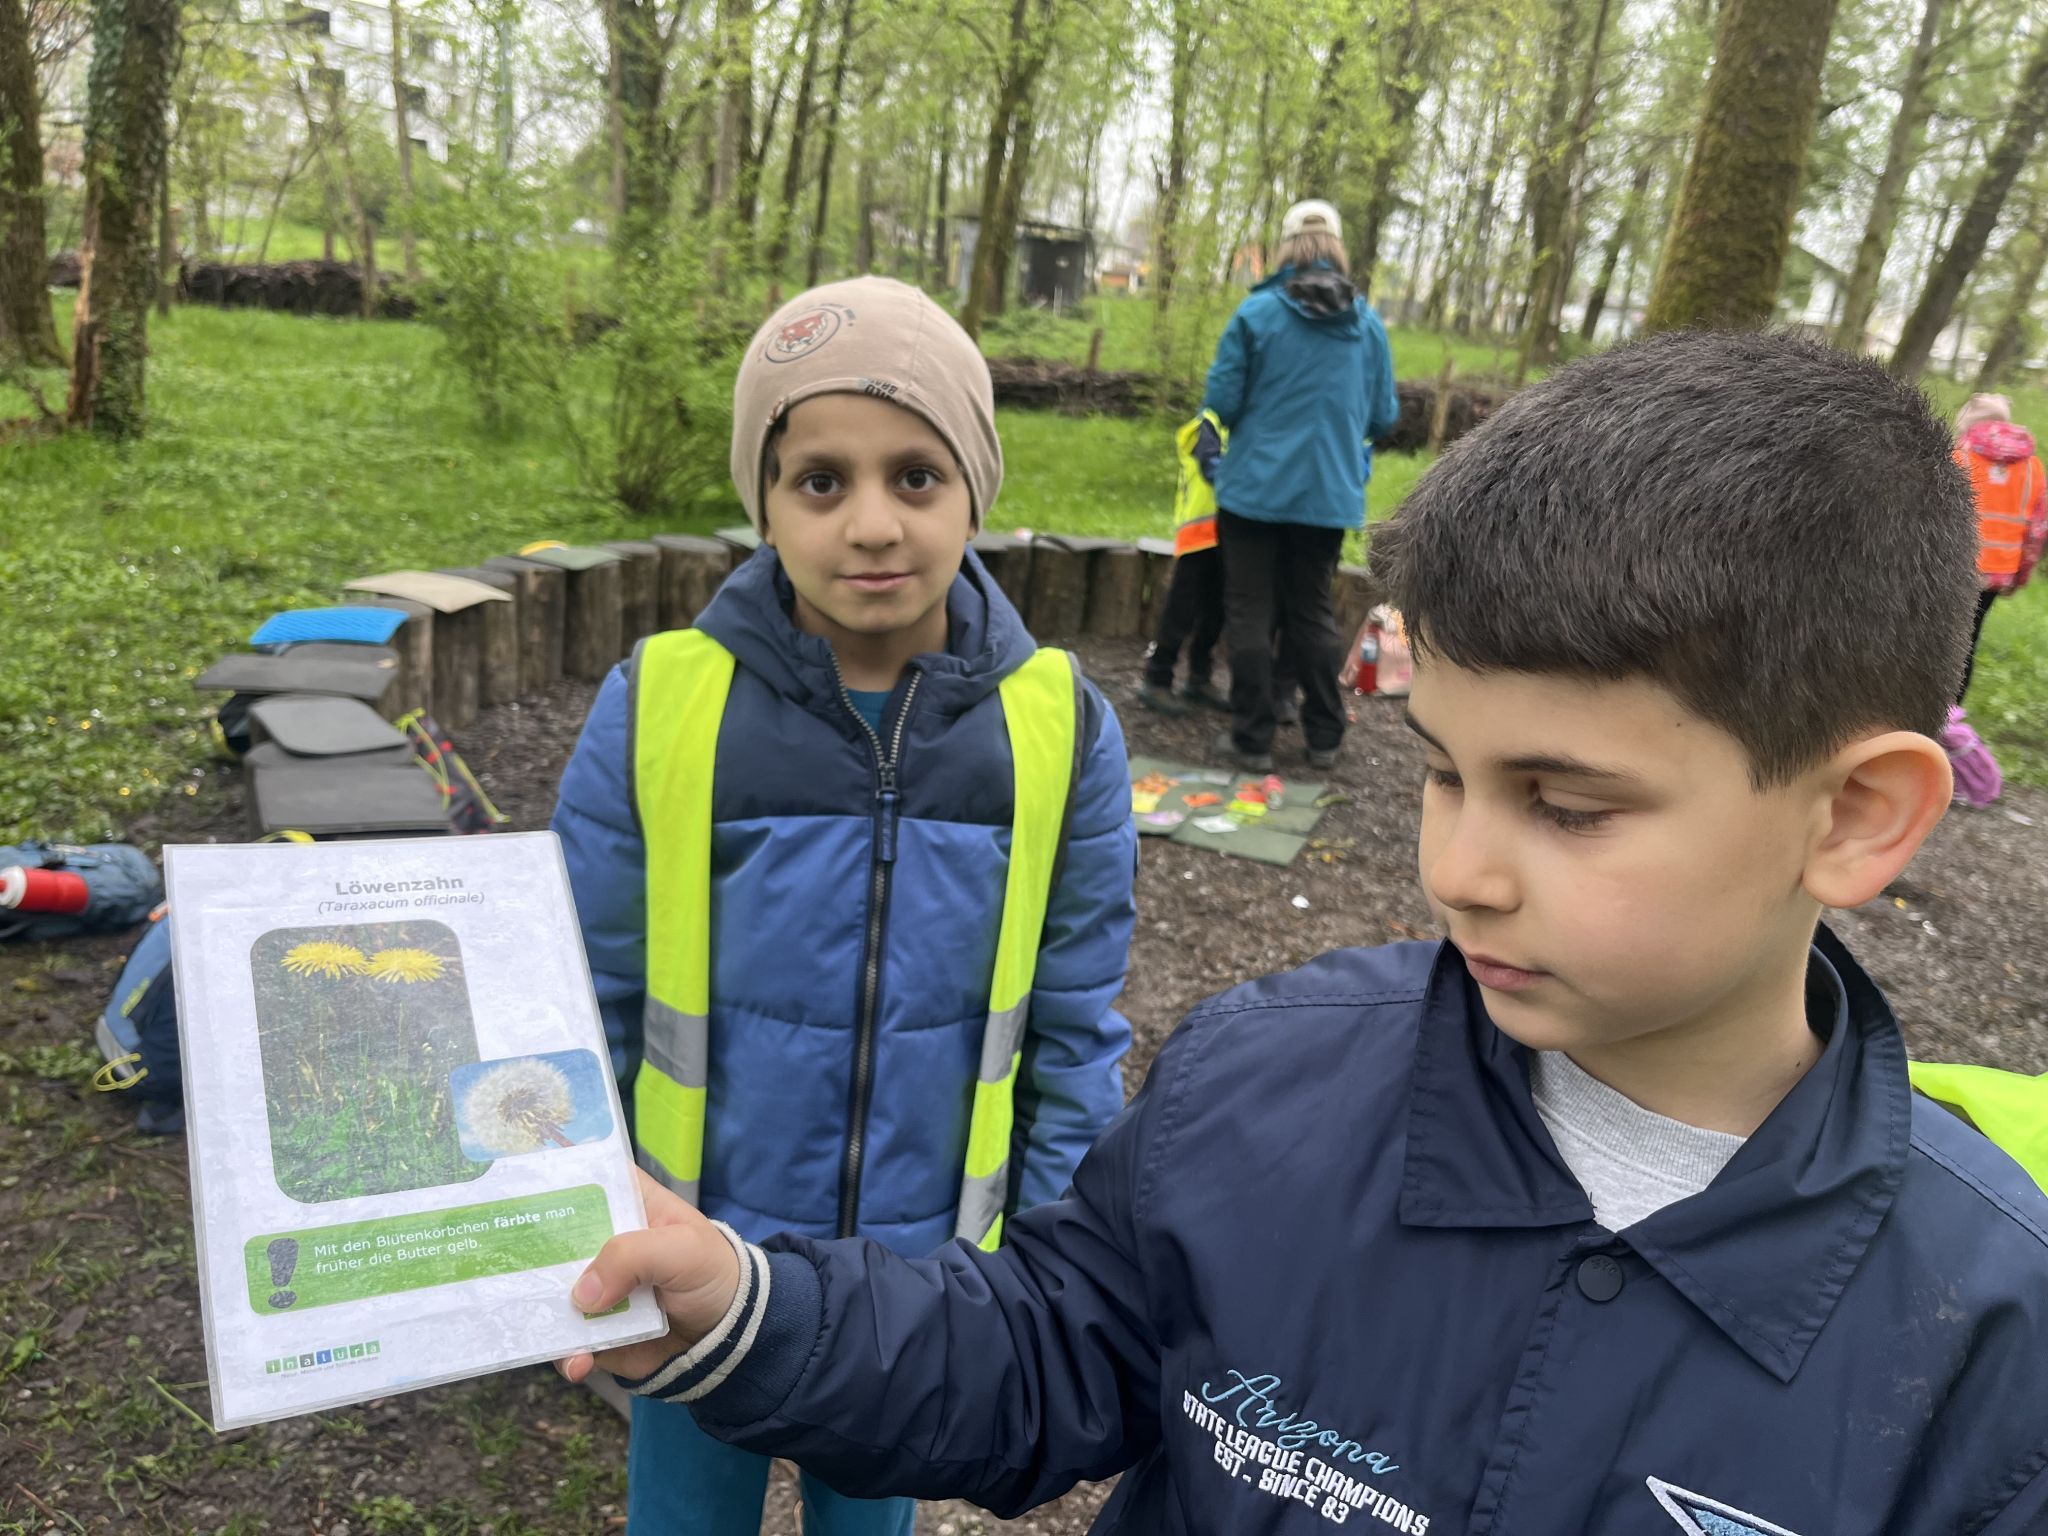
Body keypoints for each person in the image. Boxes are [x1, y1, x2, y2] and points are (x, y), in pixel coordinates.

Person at [559, 334, 2048, 1534]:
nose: (1459, 869)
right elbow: (1048, 1348)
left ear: (1854, 817)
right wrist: (752, 1313)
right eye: (1445, 772)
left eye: (1569, 806)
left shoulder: (1991, 1358)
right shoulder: (1259, 1090)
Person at [550, 276, 1137, 1536]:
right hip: (691, 1253)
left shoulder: (1058, 727)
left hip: (916, 1296)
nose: (871, 524)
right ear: (762, 499)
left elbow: (1076, 1026)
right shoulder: (658, 701)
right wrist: (575, 1214)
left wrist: (1048, 1265)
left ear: (976, 483)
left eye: (914, 476)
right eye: (820, 479)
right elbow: (574, 997)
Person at [1199, 197, 1400, 774]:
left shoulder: (1256, 316)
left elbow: (1222, 401)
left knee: (1249, 612)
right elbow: (1384, 416)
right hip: (1327, 495)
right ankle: (1324, 736)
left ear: (1286, 248)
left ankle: (1253, 739)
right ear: (1337, 250)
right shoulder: (1367, 326)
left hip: (1253, 491)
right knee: (1311, 610)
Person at [1952, 392, 2046, 702]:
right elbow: (2036, 533)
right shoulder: (2034, 468)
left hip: (1952, 569)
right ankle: (1952, 714)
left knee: (1933, 637)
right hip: (1997, 574)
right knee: (1968, 639)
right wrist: (2020, 577)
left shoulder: (1957, 456)